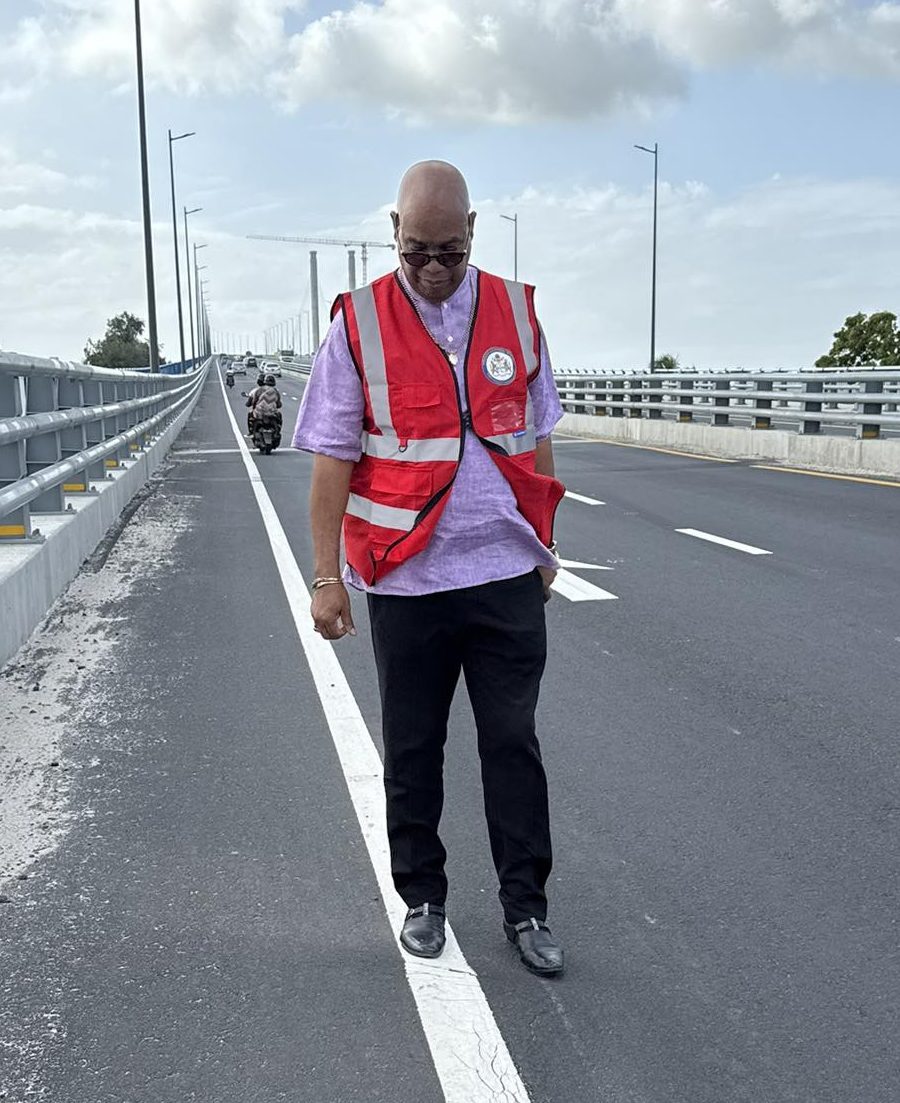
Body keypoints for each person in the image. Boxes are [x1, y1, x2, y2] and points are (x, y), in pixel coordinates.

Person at [292, 160, 566, 976]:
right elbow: (333, 460)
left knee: (512, 741)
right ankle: (424, 896)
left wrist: (544, 541)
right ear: (393, 233)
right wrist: (326, 575)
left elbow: (537, 436)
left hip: (503, 572)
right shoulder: (360, 323)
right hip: (406, 579)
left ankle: (527, 908)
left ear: (473, 231)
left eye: (449, 250)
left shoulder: (516, 313)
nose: (435, 270)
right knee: (413, 746)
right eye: (417, 254)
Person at [252, 374, 283, 445]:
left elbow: (254, 401)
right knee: (279, 416)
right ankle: (277, 432)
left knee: (254, 418)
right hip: (272, 413)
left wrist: (255, 407)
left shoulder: (259, 390)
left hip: (260, 412)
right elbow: (278, 403)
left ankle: (252, 433)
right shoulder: (276, 391)